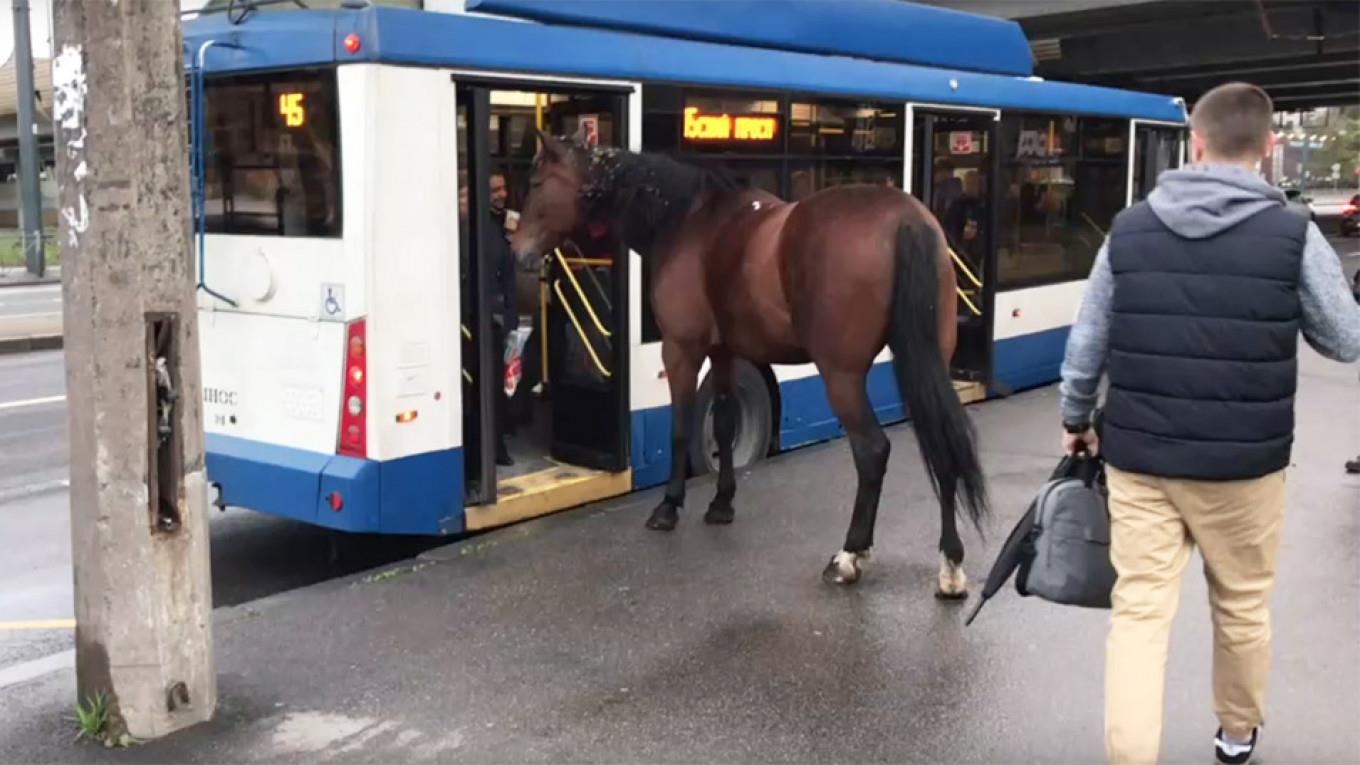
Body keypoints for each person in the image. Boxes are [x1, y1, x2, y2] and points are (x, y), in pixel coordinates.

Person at [1057, 82, 1360, 765]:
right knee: (1243, 604)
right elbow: (1345, 340)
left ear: (1194, 142)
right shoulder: (1293, 232)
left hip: (1140, 460)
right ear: (1269, 146)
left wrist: (1076, 417)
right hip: (1244, 469)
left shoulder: (1130, 227)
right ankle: (1236, 734)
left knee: (1139, 614)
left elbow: (1087, 341)